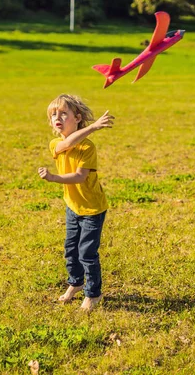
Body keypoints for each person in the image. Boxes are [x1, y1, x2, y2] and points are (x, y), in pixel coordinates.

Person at [38, 94, 114, 312]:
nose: (57, 117)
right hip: (73, 206)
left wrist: (54, 178)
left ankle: (93, 294)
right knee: (71, 249)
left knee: (87, 253)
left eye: (63, 113)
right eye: (53, 114)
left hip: (92, 208)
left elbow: (80, 177)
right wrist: (94, 126)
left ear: (78, 118)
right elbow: (67, 143)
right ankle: (76, 283)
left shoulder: (87, 148)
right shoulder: (56, 143)